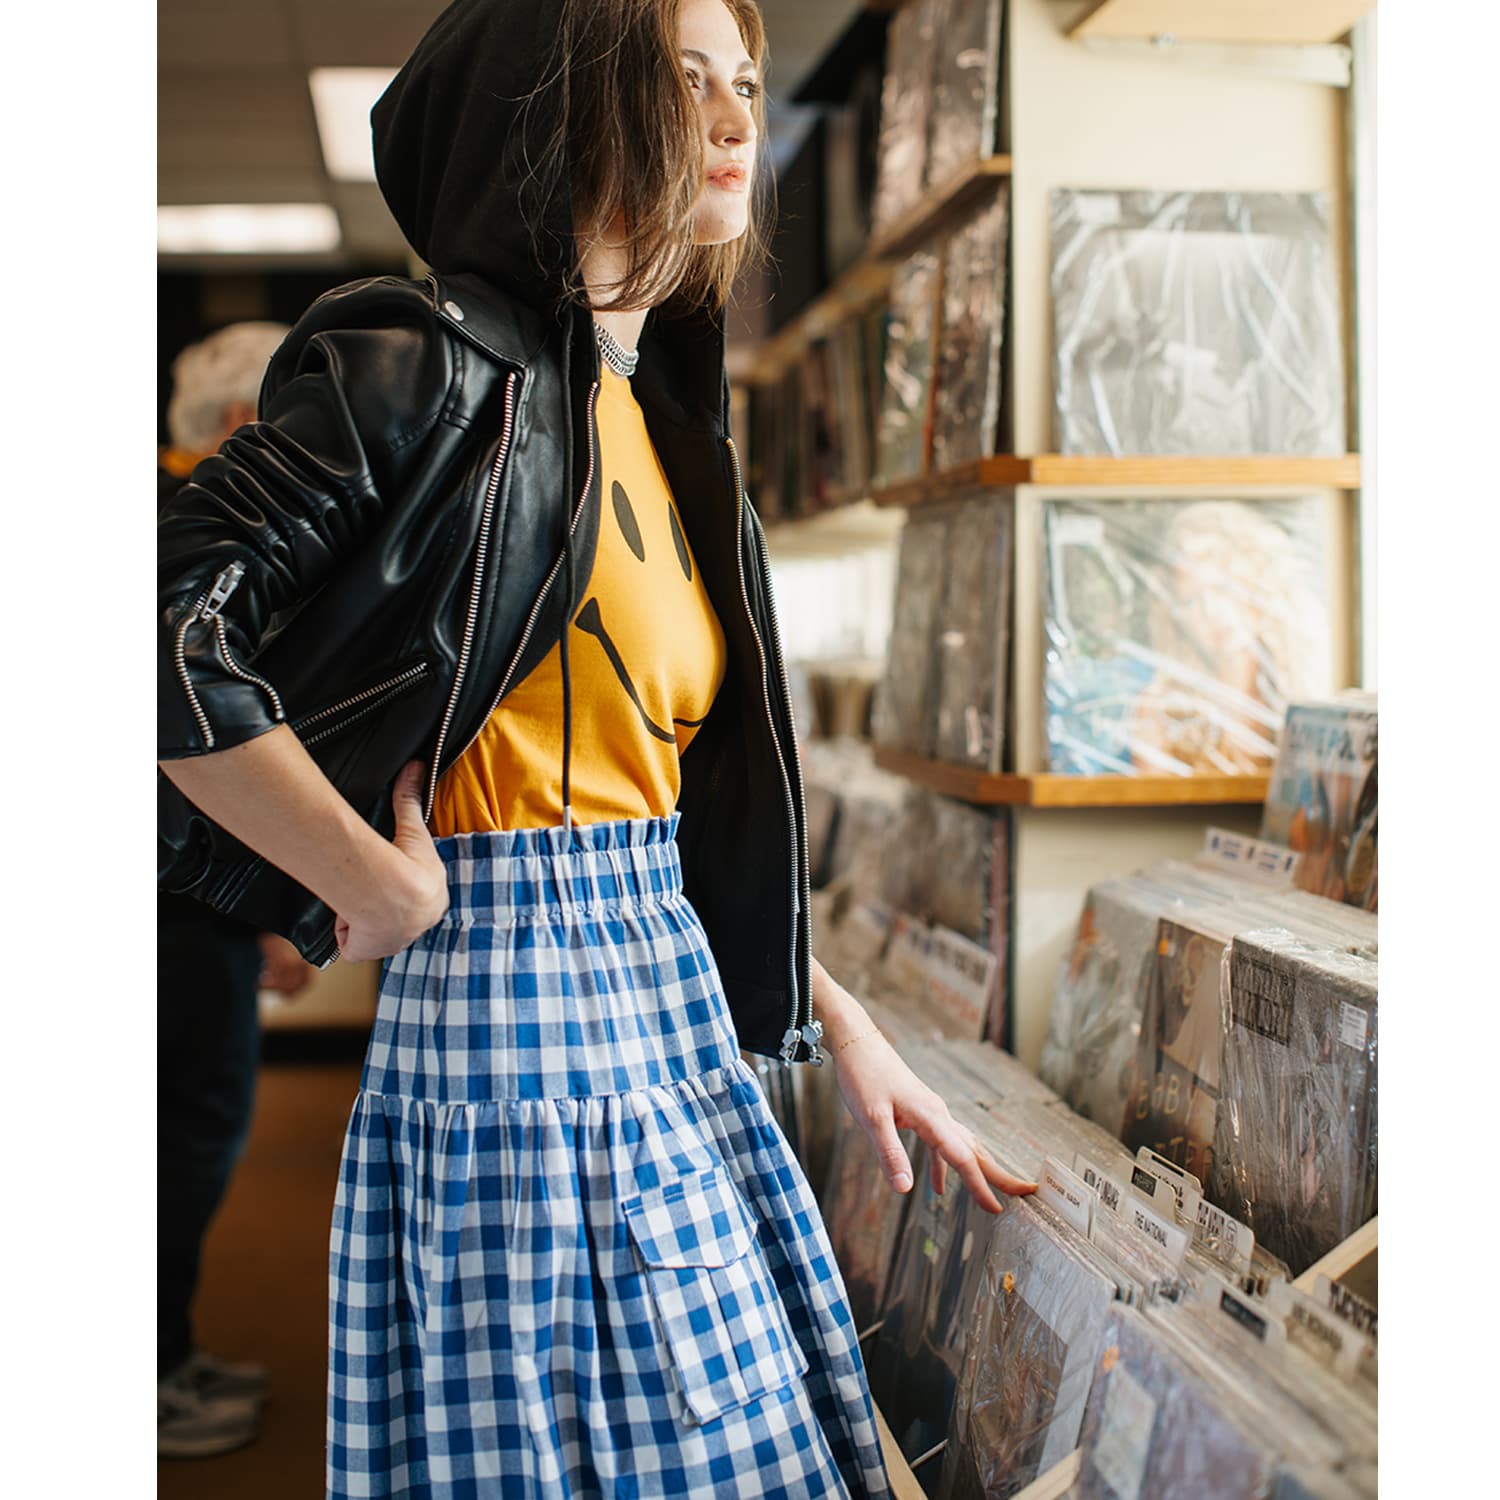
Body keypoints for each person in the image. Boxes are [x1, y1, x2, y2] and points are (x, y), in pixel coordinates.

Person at [157, 2, 1033, 1493]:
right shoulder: (424, 361)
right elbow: (159, 621)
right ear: (562, 106)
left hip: (666, 1010)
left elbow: (646, 821)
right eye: (681, 78)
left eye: (745, 81)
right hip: (518, 1043)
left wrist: (836, 1016)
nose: (736, 115)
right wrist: (375, 888)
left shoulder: (658, 416)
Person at [157, 321, 317, 1459]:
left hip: (184, 893)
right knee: (184, 1130)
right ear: (240, 432)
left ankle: (162, 1347)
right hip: (173, 898)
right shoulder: (187, 535)